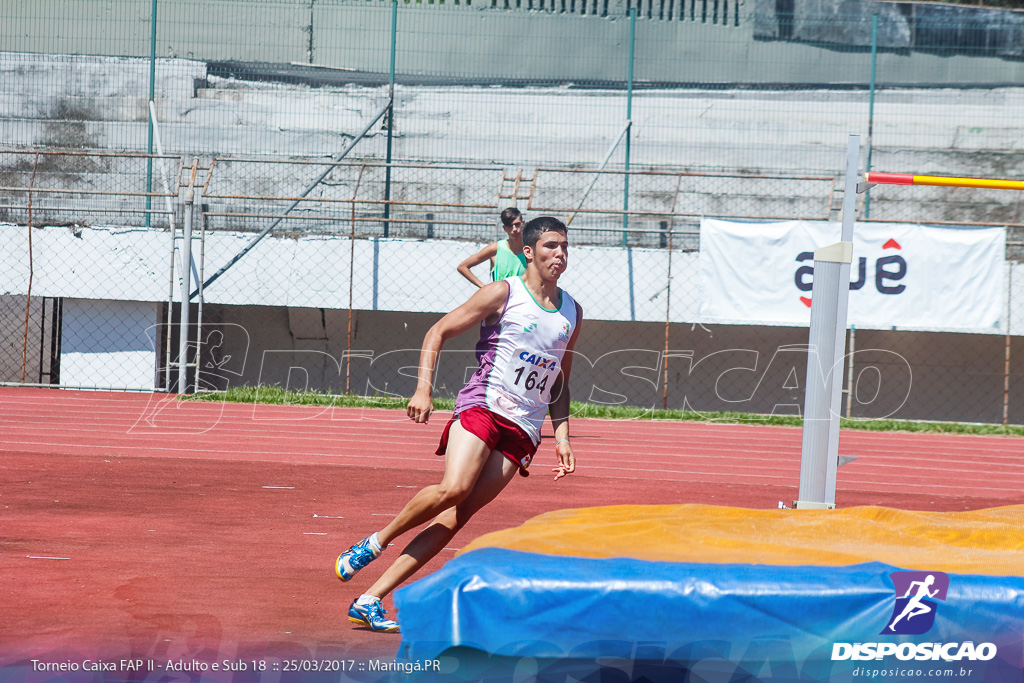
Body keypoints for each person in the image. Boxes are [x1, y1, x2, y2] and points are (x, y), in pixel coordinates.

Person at [335, 216, 583, 633]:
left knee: (456, 516)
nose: (559, 254)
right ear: (529, 252)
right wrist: (422, 389)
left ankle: (369, 599)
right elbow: (438, 331)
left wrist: (562, 437)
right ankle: (373, 543)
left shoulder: (573, 312)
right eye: (550, 247)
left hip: (524, 427)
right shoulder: (502, 293)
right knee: (454, 487)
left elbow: (560, 380)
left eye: (564, 248)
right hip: (483, 406)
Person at [457, 207, 527, 287]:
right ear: (504, 228)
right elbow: (462, 267)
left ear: (523, 223)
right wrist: (484, 288)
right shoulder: (496, 249)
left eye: (517, 224)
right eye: (510, 226)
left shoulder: (531, 249)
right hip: (501, 298)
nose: (514, 229)